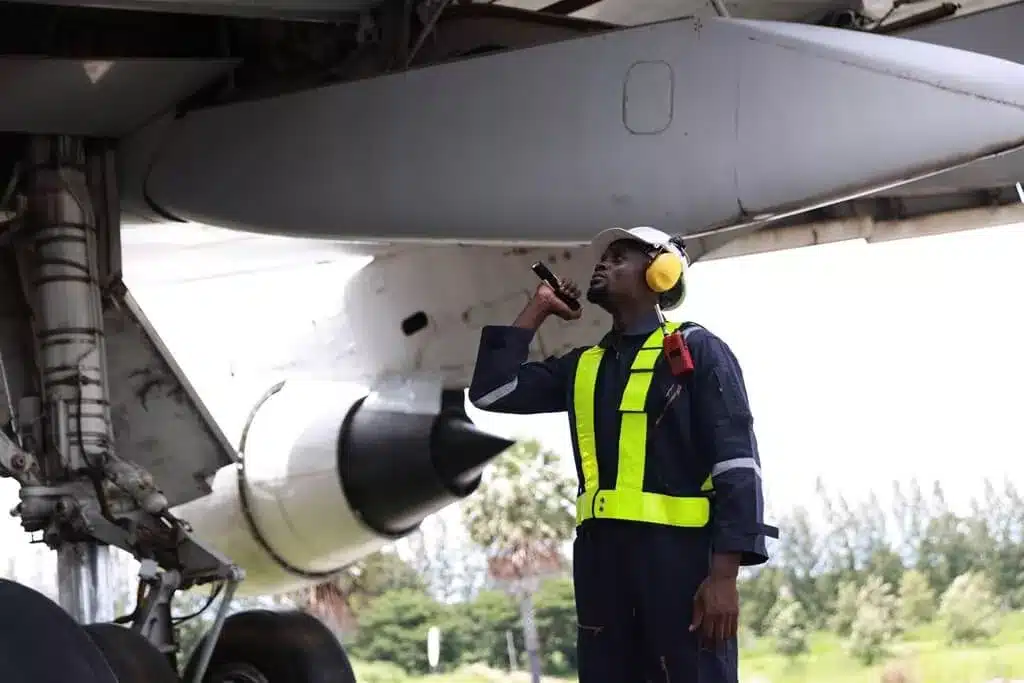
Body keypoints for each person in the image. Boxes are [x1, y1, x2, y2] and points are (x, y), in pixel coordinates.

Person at [468, 226, 776, 683]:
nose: (603, 264)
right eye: (604, 257)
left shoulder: (696, 350)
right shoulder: (583, 366)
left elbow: (736, 464)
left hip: (681, 570)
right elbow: (492, 391)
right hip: (601, 572)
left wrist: (725, 577)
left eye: (619, 257)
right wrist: (539, 308)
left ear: (659, 272)